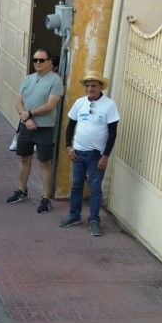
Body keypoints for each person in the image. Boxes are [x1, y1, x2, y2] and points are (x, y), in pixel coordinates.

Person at [59, 71, 120, 237]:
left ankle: (94, 220)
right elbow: (70, 126)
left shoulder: (109, 105)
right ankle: (74, 215)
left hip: (96, 156)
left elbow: (113, 133)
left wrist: (105, 156)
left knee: (95, 189)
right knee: (76, 185)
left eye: (93, 85)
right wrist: (68, 147)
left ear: (100, 87)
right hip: (78, 153)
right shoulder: (79, 103)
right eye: (87, 86)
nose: (89, 88)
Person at [7, 48, 65, 214]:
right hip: (27, 126)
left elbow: (51, 105)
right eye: (35, 60)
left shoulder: (55, 81)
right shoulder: (28, 79)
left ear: (49, 62)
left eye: (41, 60)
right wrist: (26, 119)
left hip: (45, 128)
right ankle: (22, 190)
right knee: (24, 159)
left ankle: (46, 198)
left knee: (44, 163)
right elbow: (18, 102)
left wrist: (30, 114)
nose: (38, 63)